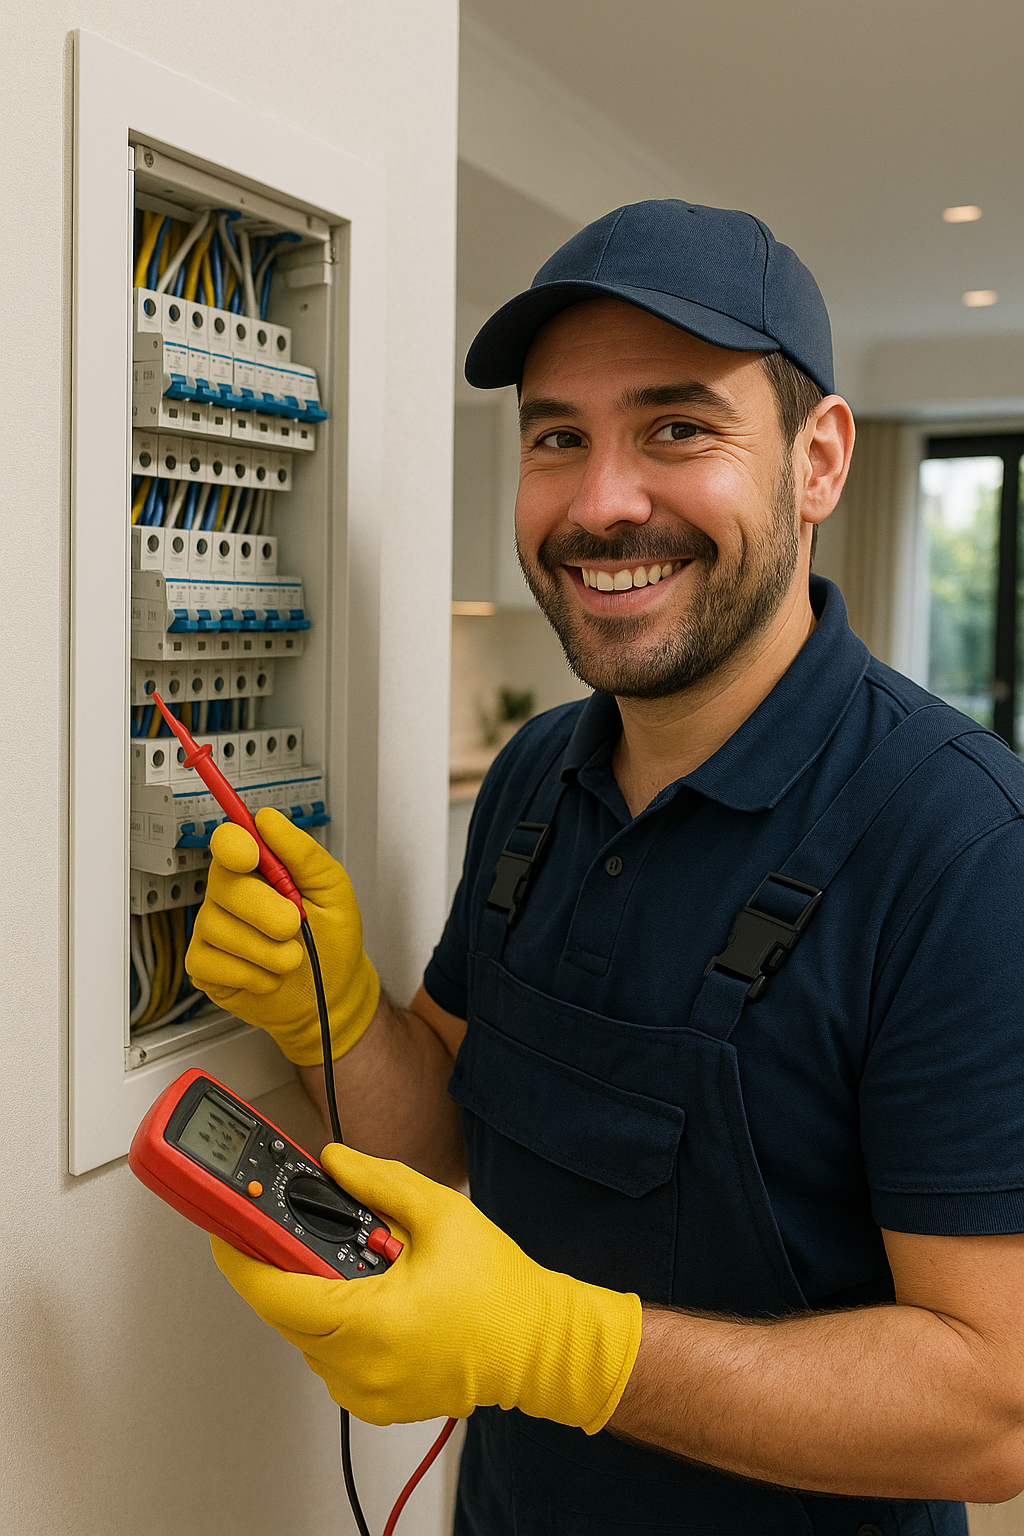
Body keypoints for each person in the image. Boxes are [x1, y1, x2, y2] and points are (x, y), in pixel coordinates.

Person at [186, 200, 1024, 1536]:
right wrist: (332, 1017)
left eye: (678, 429)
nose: (600, 504)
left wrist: (559, 1350)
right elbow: (441, 1137)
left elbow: (993, 1405)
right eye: (557, 437)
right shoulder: (536, 775)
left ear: (818, 462)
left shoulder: (963, 845)